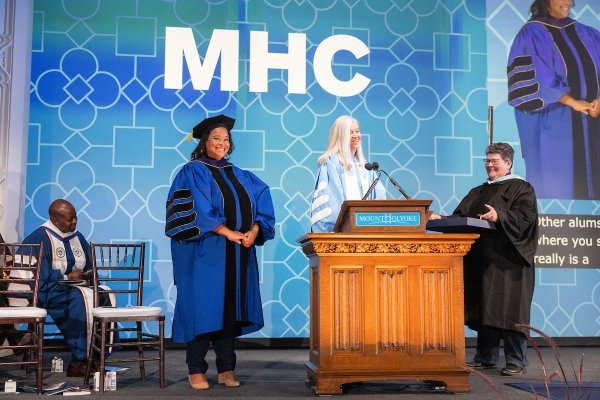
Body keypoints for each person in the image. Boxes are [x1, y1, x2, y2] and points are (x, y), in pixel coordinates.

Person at [165, 114, 276, 390]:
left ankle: (227, 368)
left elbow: (262, 198)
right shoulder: (192, 171)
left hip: (237, 253)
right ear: (204, 142)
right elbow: (198, 209)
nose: (222, 143)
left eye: (226, 139)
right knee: (203, 307)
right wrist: (227, 232)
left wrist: (255, 229)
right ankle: (196, 369)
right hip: (205, 253)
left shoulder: (240, 174)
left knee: (230, 310)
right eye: (216, 138)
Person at [430, 143, 538, 376]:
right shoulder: (478, 191)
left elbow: (526, 218)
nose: (489, 165)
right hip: (482, 259)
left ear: (508, 163)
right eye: (487, 161)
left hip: (509, 261)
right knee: (485, 308)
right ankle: (486, 357)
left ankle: (515, 360)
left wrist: (500, 216)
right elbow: (462, 217)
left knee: (511, 311)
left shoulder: (522, 188)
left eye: (494, 161)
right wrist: (442, 218)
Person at [507, 0, 600, 200]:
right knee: (557, 185)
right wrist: (572, 102)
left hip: (593, 122)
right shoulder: (533, 33)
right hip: (554, 124)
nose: (566, 1)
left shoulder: (589, 33)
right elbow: (539, 77)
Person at [21, 199, 111, 377]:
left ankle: (97, 356)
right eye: (70, 219)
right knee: (80, 299)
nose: (74, 222)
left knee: (103, 295)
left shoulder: (78, 237)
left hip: (72, 289)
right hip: (47, 291)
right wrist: (66, 277)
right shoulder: (40, 237)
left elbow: (90, 267)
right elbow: (37, 277)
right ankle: (80, 361)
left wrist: (86, 277)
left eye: (75, 217)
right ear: (55, 219)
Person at [310, 115, 386, 233]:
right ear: (341, 136)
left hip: (368, 234)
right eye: (350, 133)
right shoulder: (332, 163)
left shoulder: (365, 166)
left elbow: (379, 199)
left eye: (357, 131)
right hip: (342, 236)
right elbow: (331, 202)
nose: (356, 136)